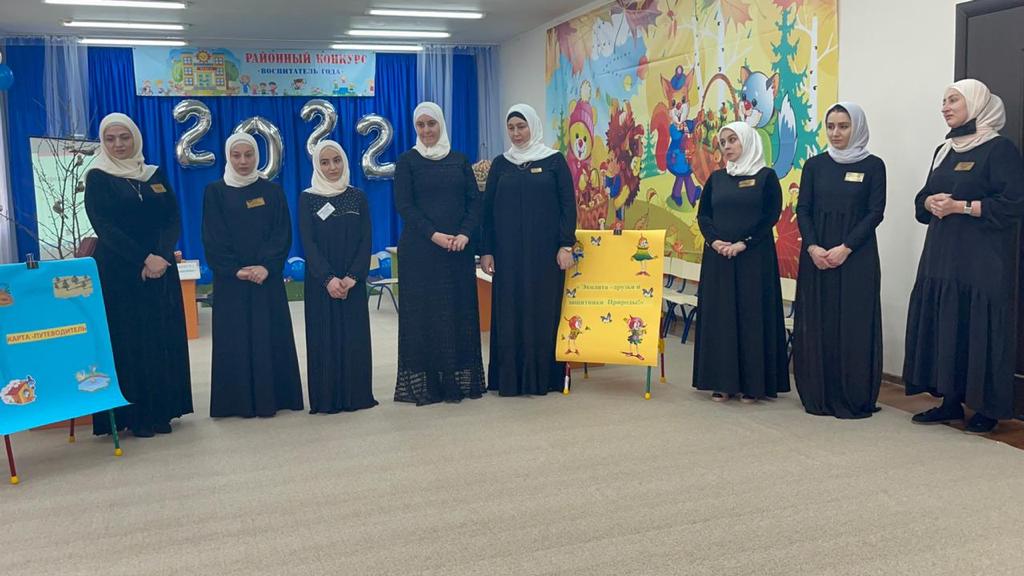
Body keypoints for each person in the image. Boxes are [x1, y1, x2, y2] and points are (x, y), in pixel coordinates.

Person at [904, 79, 1024, 434]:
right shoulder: (944, 150)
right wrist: (929, 202)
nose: (945, 107)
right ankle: (949, 401)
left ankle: (987, 408)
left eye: (953, 100)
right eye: (944, 101)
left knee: (979, 328)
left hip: (982, 262)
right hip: (942, 258)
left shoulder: (1000, 150)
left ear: (976, 103)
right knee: (947, 326)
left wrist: (961, 207)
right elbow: (921, 200)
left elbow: (1013, 204)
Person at [84, 113, 193, 437]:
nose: (118, 144)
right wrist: (143, 258)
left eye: (124, 137)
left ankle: (162, 411)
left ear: (136, 138)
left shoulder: (153, 174)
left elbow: (172, 218)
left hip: (160, 270)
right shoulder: (98, 177)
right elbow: (104, 227)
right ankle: (135, 416)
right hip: (121, 273)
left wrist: (160, 256)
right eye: (110, 138)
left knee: (160, 337)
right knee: (130, 341)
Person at [793, 102, 886, 418]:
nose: (835, 133)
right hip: (817, 255)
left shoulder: (874, 166)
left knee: (853, 323)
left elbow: (875, 213)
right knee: (820, 321)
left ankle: (853, 394)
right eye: (831, 126)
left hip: (856, 257)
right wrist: (813, 247)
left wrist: (845, 248)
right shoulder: (815, 165)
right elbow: (803, 209)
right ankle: (818, 393)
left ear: (856, 127)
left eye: (843, 126)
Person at [201, 133, 303, 418]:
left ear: (257, 156)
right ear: (228, 157)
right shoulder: (215, 192)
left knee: (269, 336)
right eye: (236, 155)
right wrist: (236, 269)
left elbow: (281, 233)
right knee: (235, 339)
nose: (243, 161)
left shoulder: (272, 191)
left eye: (248, 155)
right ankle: (237, 402)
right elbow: (213, 235)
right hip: (232, 282)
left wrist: (266, 266)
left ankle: (275, 399)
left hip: (266, 280)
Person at [479, 104, 576, 396]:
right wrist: (487, 250)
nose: (516, 133)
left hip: (545, 255)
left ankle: (544, 377)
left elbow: (568, 206)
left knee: (543, 310)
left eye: (521, 127)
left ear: (532, 126)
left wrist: (566, 244)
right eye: (511, 128)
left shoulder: (554, 161)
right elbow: (487, 212)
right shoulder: (501, 164)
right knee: (509, 310)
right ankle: (509, 378)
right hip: (507, 256)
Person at [392, 102, 486, 405]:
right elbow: (405, 205)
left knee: (456, 312)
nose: (426, 130)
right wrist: (434, 235)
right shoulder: (407, 161)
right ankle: (429, 383)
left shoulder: (459, 160)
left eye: (431, 124)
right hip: (420, 252)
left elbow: (474, 203)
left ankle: (456, 381)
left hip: (457, 251)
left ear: (441, 124)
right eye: (420, 125)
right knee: (425, 316)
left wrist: (464, 234)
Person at [692, 122, 789, 402]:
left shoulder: (766, 177)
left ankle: (753, 385)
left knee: (751, 317)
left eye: (733, 140)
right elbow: (704, 215)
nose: (727, 147)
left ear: (747, 140)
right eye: (723, 142)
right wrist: (715, 241)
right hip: (719, 260)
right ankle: (722, 381)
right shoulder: (717, 179)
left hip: (754, 259)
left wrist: (744, 242)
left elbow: (770, 216)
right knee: (721, 318)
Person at [298, 140, 378, 414]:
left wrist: (353, 276)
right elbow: (308, 243)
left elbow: (366, 239)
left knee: (353, 339)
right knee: (324, 339)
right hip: (321, 283)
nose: (332, 167)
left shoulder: (357, 197)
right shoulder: (308, 198)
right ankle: (327, 399)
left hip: (352, 283)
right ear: (316, 165)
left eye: (337, 160)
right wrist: (328, 279)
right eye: (325, 162)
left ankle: (357, 396)